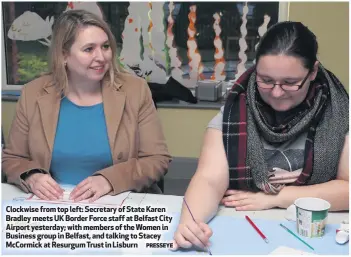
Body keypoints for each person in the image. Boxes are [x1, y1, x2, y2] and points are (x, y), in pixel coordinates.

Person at [172, 21, 349, 250]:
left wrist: (276, 198)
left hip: (313, 234)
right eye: (266, 80)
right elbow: (209, 178)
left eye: (290, 83)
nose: (276, 92)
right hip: (243, 227)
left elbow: (348, 188)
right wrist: (190, 222)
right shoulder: (235, 111)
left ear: (313, 71)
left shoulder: (340, 112)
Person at [2, 10, 171, 202]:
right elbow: (12, 159)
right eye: (89, 49)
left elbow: (157, 159)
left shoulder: (135, 90)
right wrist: (31, 176)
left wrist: (110, 180)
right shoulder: (32, 93)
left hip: (117, 203)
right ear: (64, 55)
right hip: (54, 206)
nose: (101, 57)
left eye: (105, 46)